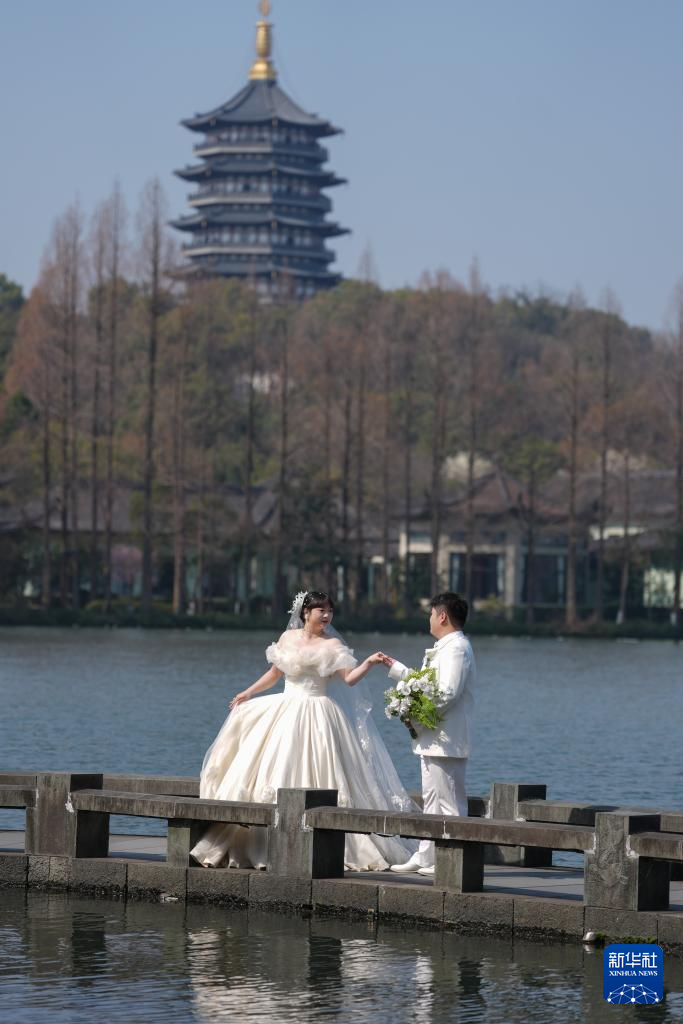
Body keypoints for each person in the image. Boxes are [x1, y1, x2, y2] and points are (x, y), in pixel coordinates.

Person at [190, 590, 418, 871]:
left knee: (324, 770)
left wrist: (369, 663)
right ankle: (266, 843)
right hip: (286, 708)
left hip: (320, 712)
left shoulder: (332, 644)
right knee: (275, 765)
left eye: (330, 611)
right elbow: (274, 674)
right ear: (306, 613)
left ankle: (322, 843)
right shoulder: (288, 638)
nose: (327, 615)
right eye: (321, 610)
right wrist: (248, 692)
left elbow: (349, 679)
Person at [378, 592, 475, 876]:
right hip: (434, 737)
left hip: (447, 736)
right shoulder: (445, 646)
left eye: (431, 614)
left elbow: (447, 692)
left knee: (450, 801)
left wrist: (417, 714)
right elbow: (428, 684)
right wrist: (398, 671)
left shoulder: (457, 648)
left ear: (442, 616)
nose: (429, 619)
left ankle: (451, 859)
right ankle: (426, 855)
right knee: (432, 798)